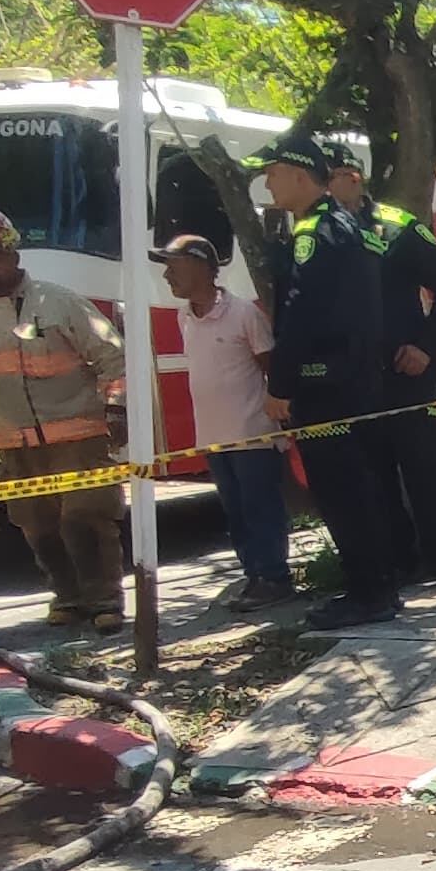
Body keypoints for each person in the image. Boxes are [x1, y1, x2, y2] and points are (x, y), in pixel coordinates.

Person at [0, 204, 128, 631]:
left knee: (87, 518)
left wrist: (116, 410)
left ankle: (104, 600)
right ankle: (68, 597)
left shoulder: (60, 303)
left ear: (13, 255)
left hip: (79, 440)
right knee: (38, 527)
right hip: (16, 448)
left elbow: (114, 360)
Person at [248, 132, 404, 631]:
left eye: (272, 174)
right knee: (360, 487)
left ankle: (369, 592)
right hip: (354, 379)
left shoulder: (314, 233)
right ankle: (375, 584)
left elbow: (301, 317)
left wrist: (282, 384)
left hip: (326, 385)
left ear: (298, 175)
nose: (268, 184)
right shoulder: (345, 224)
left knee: (342, 490)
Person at [330, 148, 436, 586]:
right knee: (373, 474)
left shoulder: (398, 226)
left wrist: (426, 347)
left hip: (406, 372)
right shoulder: (321, 233)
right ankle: (400, 562)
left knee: (422, 469)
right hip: (356, 377)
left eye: (329, 176)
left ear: (352, 178)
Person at [153, 230, 291, 607]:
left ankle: (275, 578)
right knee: (235, 511)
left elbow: (271, 369)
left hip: (253, 435)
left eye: (174, 267)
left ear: (202, 267)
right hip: (215, 438)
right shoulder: (185, 316)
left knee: (260, 508)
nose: (167, 277)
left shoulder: (244, 313)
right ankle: (255, 576)